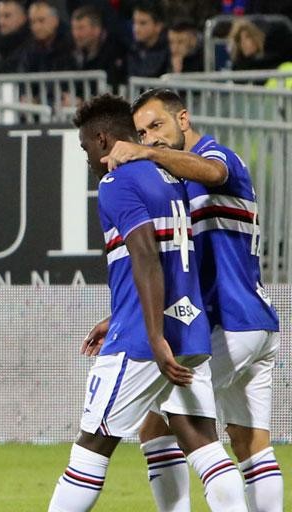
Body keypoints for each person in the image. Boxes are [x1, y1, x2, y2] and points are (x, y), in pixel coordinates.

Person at [47, 93, 247, 512]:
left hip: (142, 338)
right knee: (203, 445)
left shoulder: (117, 182)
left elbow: (145, 254)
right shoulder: (170, 180)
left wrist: (154, 336)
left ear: (102, 140)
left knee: (89, 449)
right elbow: (170, 261)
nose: (86, 157)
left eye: (86, 147)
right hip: (189, 329)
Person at [99, 88, 283, 512]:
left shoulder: (219, 158)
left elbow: (214, 173)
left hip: (229, 322)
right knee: (250, 442)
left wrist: (149, 155)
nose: (151, 138)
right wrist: (119, 316)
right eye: (142, 133)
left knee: (157, 415)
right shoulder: (180, 181)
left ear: (184, 119)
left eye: (157, 126)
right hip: (253, 323)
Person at [127, 0, 169, 78]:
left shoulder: (169, 51)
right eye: (134, 22)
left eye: (142, 23)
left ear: (158, 26)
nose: (136, 29)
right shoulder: (133, 49)